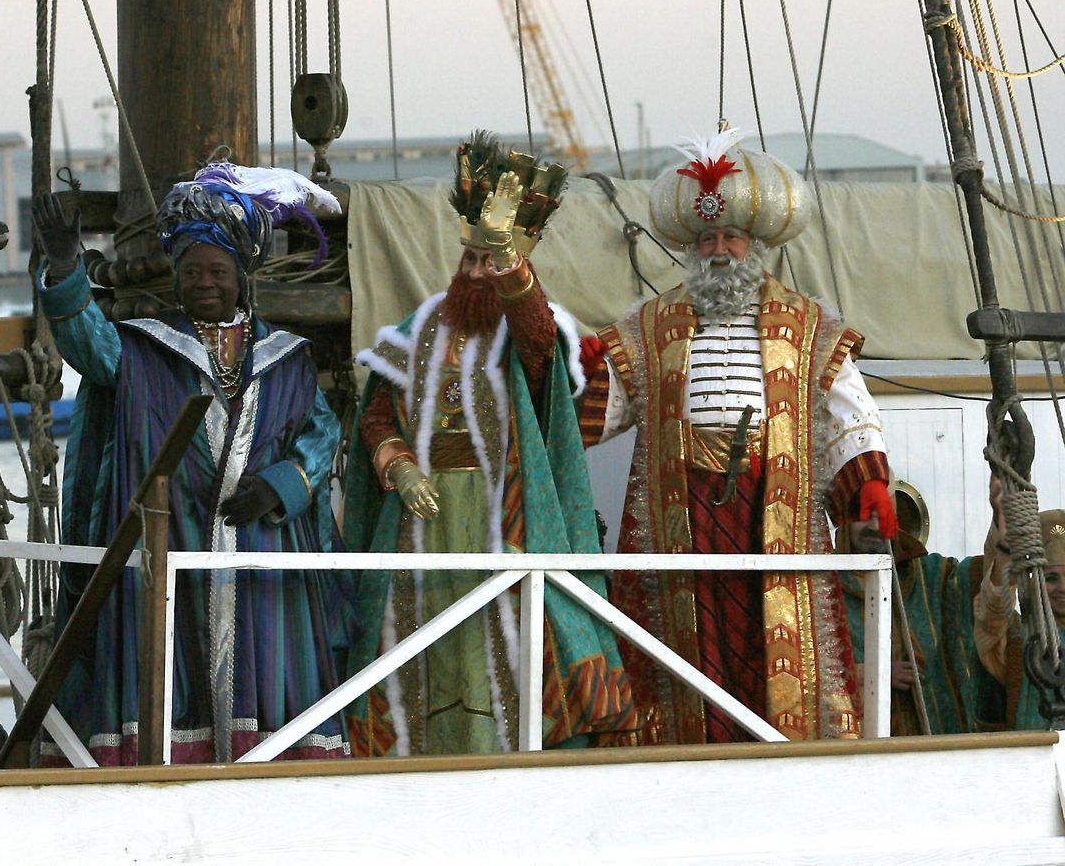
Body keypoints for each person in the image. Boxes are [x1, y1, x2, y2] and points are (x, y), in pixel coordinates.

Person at [576, 127, 896, 744]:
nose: (719, 249)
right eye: (708, 239)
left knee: (771, 637)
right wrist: (575, 374)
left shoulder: (808, 325)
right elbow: (602, 408)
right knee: (687, 648)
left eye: (730, 236)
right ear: (693, 250)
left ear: (756, 245)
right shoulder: (648, 325)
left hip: (772, 510)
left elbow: (847, 413)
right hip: (682, 518)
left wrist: (869, 482)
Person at [33, 162, 355, 765]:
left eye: (217, 270)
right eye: (191, 271)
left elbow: (321, 430)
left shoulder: (287, 359)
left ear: (241, 276)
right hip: (165, 548)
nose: (204, 282)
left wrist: (283, 485)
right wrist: (62, 267)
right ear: (175, 278)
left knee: (276, 691)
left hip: (266, 555)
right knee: (162, 667)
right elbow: (85, 343)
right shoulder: (141, 349)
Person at [341, 132, 637, 756]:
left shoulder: (526, 334)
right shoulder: (415, 330)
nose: (476, 273)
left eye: (489, 262)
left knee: (504, 642)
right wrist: (397, 466)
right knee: (416, 646)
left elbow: (535, 336)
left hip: (503, 520)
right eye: (470, 260)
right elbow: (374, 415)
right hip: (420, 522)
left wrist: (508, 261)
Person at [839, 479, 984, 735]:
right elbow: (809, 672)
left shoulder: (929, 576)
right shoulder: (824, 586)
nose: (874, 526)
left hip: (929, 741)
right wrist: (874, 675)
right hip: (856, 749)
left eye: (881, 516)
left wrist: (1003, 517)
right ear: (845, 522)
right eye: (863, 517)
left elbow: (984, 583)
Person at [974, 478, 1065, 730]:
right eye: (1051, 578)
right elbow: (991, 619)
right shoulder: (1019, 639)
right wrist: (1006, 544)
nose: (1063, 589)